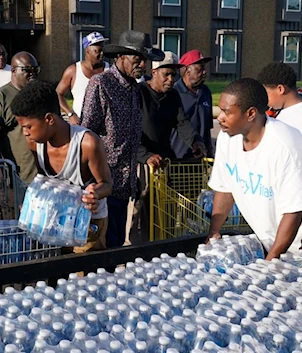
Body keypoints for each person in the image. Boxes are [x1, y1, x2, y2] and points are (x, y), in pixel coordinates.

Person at [206, 78, 302, 259]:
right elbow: (225, 188)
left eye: (227, 112)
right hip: (272, 234)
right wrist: (213, 233)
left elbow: (294, 211)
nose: (220, 118)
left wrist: (271, 260)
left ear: (251, 113)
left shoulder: (284, 143)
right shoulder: (227, 138)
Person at [81, 30, 164, 248]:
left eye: (144, 61)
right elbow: (85, 134)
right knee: (103, 248)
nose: (143, 66)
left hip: (126, 183)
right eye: (137, 60)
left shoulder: (135, 89)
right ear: (121, 58)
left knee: (117, 244)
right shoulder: (101, 84)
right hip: (103, 183)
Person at [12, 80, 112, 253]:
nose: (25, 133)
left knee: (85, 275)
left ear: (49, 119)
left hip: (87, 223)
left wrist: (94, 194)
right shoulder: (35, 142)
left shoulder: (87, 144)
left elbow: (107, 184)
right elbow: (45, 180)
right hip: (54, 219)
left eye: (28, 127)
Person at [128, 52, 207, 244]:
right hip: (141, 159)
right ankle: (136, 251)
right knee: (140, 208)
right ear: (154, 73)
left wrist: (195, 141)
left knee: (167, 208)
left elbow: (182, 122)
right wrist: (145, 155)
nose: (171, 79)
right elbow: (128, 132)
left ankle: (164, 247)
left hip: (164, 159)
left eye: (174, 75)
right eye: (166, 75)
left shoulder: (172, 96)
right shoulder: (138, 94)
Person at [257, 62, 302, 173]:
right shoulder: (286, 112)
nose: (265, 100)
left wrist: (282, 168)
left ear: (280, 89)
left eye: (266, 94)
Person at [0, 51, 40, 185]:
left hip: (42, 170)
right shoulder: (0, 97)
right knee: (16, 204)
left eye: (36, 69)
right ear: (13, 70)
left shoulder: (39, 93)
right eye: (27, 70)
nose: (33, 73)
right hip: (18, 171)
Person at [56, 32, 109, 124]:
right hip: (81, 126)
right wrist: (70, 114)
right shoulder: (73, 71)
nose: (102, 53)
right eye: (98, 51)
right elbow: (58, 94)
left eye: (103, 50)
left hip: (105, 128)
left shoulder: (109, 70)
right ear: (87, 50)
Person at [171, 49, 214, 158]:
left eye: (204, 68)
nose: (204, 72)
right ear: (187, 70)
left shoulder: (206, 92)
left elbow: (207, 129)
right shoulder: (173, 93)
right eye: (200, 68)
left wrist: (210, 153)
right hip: (177, 158)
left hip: (200, 159)